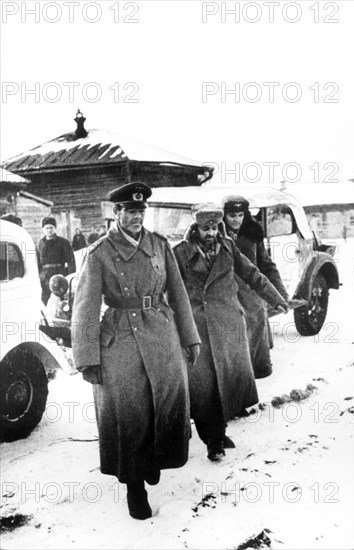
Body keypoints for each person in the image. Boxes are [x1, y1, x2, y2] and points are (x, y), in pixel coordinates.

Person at [71, 182, 200, 521]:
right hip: (120, 339)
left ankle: (154, 458)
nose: (136, 217)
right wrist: (87, 359)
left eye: (141, 211)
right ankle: (134, 485)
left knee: (167, 400)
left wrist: (190, 338)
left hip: (161, 330)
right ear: (116, 214)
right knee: (130, 413)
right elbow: (84, 307)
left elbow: (178, 292)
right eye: (129, 212)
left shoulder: (159, 245)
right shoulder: (99, 252)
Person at [173, 204, 289, 462]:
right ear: (195, 229)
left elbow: (253, 274)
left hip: (228, 325)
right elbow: (171, 290)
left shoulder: (228, 247)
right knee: (204, 386)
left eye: (214, 227)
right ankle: (212, 437)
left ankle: (217, 435)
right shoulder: (180, 253)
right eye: (205, 228)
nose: (211, 233)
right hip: (197, 327)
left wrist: (277, 299)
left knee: (225, 382)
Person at [222, 196, 289, 380]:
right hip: (226, 297)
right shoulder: (216, 234)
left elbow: (266, 265)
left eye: (240, 215)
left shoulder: (253, 234)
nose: (236, 219)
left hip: (251, 298)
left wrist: (280, 295)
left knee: (254, 347)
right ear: (224, 216)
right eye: (231, 215)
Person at [37, 216, 76, 305]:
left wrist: (70, 278)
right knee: (45, 301)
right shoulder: (40, 244)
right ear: (43, 229)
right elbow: (37, 263)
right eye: (47, 228)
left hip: (59, 274)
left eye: (51, 228)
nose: (49, 230)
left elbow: (71, 261)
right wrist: (39, 276)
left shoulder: (63, 242)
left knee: (61, 301)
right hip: (45, 277)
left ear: (55, 228)